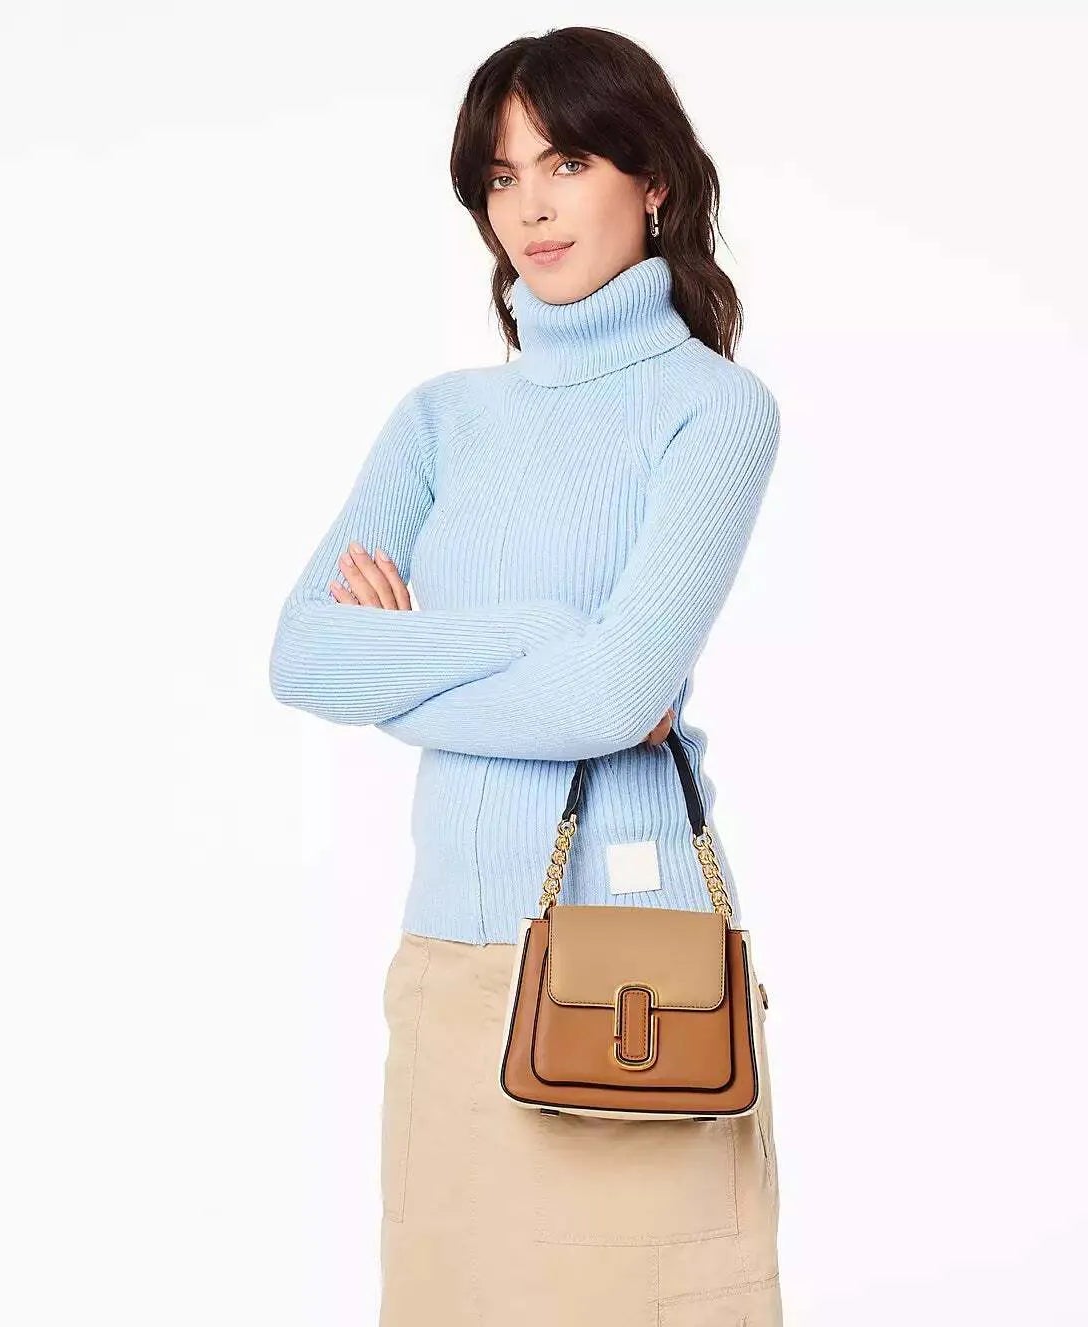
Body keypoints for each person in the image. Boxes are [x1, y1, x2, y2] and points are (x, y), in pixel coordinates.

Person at [268, 25, 784, 1326]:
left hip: (634, 976)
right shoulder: (443, 419)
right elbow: (306, 654)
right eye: (501, 177)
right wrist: (547, 631)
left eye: (565, 162)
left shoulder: (715, 411)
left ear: (653, 179)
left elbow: (616, 703)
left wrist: (408, 658)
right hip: (451, 963)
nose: (531, 208)